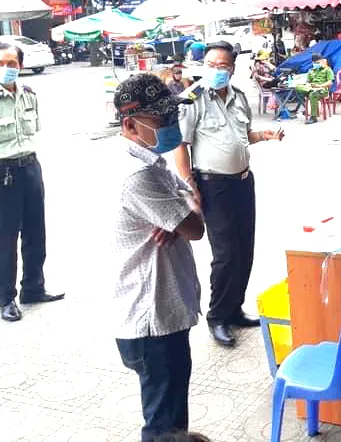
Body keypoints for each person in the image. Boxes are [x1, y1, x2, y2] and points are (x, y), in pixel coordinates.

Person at [111, 73, 205, 441]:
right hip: (152, 320)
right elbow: (196, 227)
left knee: (170, 414)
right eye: (160, 118)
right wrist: (183, 213)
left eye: (171, 115)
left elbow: (193, 198)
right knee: (164, 428)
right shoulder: (138, 175)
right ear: (129, 124)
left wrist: (179, 213)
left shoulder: (150, 160)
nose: (169, 124)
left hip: (161, 313)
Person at [175, 41, 285, 347]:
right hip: (213, 186)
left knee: (244, 249)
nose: (215, 70)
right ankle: (218, 317)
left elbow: (243, 136)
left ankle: (235, 308)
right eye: (210, 65)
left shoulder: (239, 97)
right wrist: (190, 185)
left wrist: (264, 135)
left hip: (243, 181)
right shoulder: (192, 99)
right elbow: (180, 145)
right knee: (225, 255)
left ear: (232, 69)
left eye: (221, 66)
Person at [0, 43, 64, 322]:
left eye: (12, 63)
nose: (7, 68)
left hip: (30, 167)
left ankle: (33, 288)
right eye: (0, 63)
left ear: (20, 66)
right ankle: (6, 298)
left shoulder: (29, 95)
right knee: (4, 237)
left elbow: (34, 131)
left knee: (36, 232)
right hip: (0, 172)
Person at [295, 53, 334, 125]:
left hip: (322, 90)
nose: (317, 64)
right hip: (311, 88)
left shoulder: (327, 70)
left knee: (312, 94)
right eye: (315, 63)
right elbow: (307, 82)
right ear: (312, 62)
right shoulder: (310, 71)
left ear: (321, 61)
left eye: (318, 62)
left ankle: (313, 117)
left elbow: (330, 82)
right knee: (297, 87)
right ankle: (311, 92)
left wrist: (319, 86)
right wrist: (308, 85)